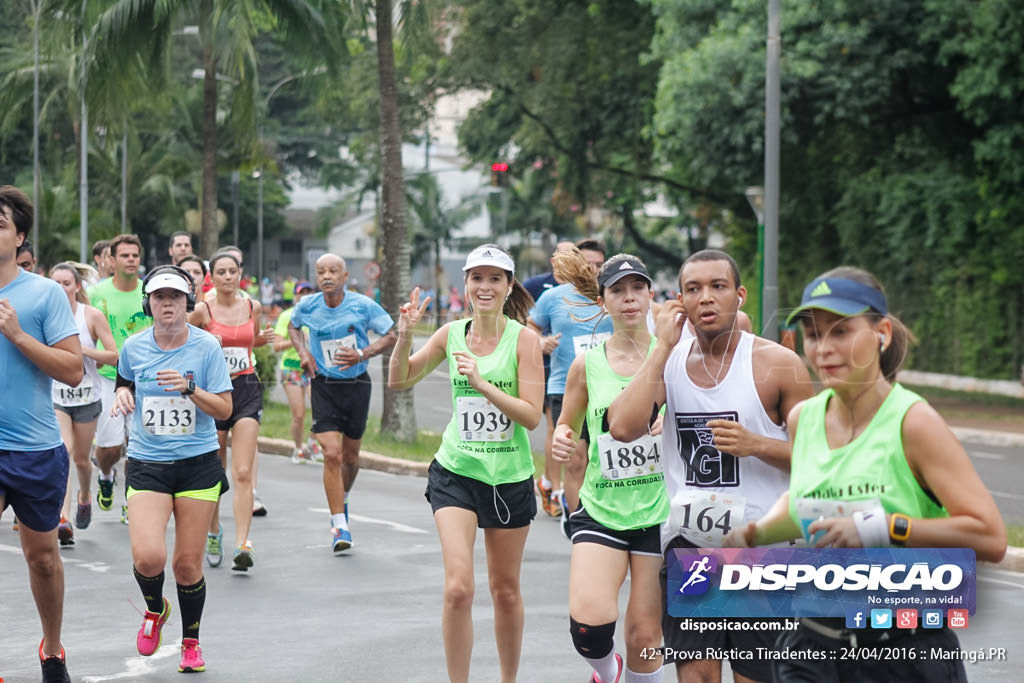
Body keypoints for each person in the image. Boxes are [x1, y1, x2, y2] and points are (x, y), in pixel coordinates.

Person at [723, 266, 1006, 682]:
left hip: (903, 650)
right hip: (812, 646)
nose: (823, 349)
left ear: (882, 333)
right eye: (814, 335)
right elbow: (805, 500)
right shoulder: (804, 418)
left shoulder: (913, 422)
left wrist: (883, 527)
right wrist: (755, 533)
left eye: (841, 331)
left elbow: (990, 537)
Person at [607, 249, 814, 683]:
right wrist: (662, 345)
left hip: (764, 550)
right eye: (693, 289)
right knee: (697, 675)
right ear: (679, 301)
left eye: (718, 286)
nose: (706, 298)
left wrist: (757, 445)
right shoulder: (669, 362)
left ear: (739, 296)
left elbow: (823, 460)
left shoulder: (776, 364)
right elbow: (623, 427)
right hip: (692, 545)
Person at [389, 244, 543, 683]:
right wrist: (404, 336)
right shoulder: (451, 334)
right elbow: (400, 380)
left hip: (509, 476)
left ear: (509, 286)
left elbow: (532, 416)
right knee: (458, 588)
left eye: (495, 278)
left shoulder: (524, 340)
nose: (485, 286)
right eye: (477, 278)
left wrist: (480, 382)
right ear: (466, 285)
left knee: (505, 591)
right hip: (456, 471)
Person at [111, 264, 232, 674]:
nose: (167, 304)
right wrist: (124, 394)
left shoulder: (207, 347)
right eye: (159, 297)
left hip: (197, 465)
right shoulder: (134, 346)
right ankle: (154, 608)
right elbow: (123, 381)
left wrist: (190, 388)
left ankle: (191, 642)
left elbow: (225, 409)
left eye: (175, 297)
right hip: (148, 463)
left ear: (188, 303)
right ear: (149, 303)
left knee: (185, 565)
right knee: (148, 558)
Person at [552, 254, 667, 683]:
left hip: (661, 511)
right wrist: (562, 438)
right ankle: (607, 672)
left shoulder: (674, 357)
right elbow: (568, 425)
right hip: (603, 505)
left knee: (644, 635)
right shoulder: (587, 365)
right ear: (603, 302)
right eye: (618, 290)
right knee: (588, 626)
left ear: (651, 295)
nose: (629, 298)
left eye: (638, 288)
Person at [0, 185, 82, 683]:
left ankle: (52, 648)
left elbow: (73, 370)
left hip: (34, 449)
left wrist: (18, 335)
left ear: (20, 236)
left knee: (43, 559)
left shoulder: (44, 293)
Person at [288, 253, 397, 551]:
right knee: (332, 453)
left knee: (350, 457)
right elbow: (293, 327)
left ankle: (343, 498)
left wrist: (362, 353)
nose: (326, 276)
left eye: (333, 271)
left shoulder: (362, 305)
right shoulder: (308, 305)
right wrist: (303, 352)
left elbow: (391, 335)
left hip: (357, 385)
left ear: (345, 276)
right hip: (324, 385)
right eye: (321, 271)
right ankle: (339, 526)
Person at [189, 250, 273, 570]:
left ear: (240, 273)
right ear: (212, 276)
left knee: (242, 471)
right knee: (215, 471)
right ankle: (213, 531)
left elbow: (251, 342)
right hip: (215, 393)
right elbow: (187, 342)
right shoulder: (202, 310)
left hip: (247, 388)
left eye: (232, 271)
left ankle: (243, 543)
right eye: (220, 272)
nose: (227, 277)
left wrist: (263, 340)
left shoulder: (254, 306)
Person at [528, 240, 611, 524]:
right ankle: (577, 522)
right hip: (564, 386)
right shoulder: (553, 297)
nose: (593, 269)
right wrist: (541, 342)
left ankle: (600, 509)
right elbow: (530, 327)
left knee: (599, 457)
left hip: (607, 389)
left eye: (599, 264)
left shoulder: (612, 295)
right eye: (588, 263)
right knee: (574, 457)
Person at [49, 263, 118, 544]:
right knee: (63, 451)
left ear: (77, 286)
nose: (62, 288)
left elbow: (113, 356)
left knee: (81, 459)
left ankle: (85, 495)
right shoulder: (46, 315)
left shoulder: (91, 316)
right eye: (56, 283)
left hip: (88, 396)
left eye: (67, 283)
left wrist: (82, 350)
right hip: (57, 396)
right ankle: (62, 518)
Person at [89, 234, 152, 523]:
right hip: (107, 378)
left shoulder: (149, 292)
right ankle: (105, 474)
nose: (131, 260)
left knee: (138, 445)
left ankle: (132, 500)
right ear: (111, 261)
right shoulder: (96, 293)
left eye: (135, 255)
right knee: (110, 448)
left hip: (143, 380)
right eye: (124, 255)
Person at [522, 240, 575, 518]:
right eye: (562, 258)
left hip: (573, 371)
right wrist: (539, 341)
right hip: (541, 367)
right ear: (554, 261)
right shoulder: (536, 286)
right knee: (556, 429)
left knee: (568, 432)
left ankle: (553, 484)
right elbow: (521, 320)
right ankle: (553, 488)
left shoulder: (589, 291)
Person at [273, 280, 319, 463]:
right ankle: (298, 448)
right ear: (295, 296)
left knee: (319, 410)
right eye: (302, 292)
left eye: (309, 292)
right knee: (299, 414)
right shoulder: (287, 316)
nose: (305, 296)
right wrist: (296, 339)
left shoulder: (318, 315)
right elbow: (276, 346)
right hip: (292, 368)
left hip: (313, 369)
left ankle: (312, 442)